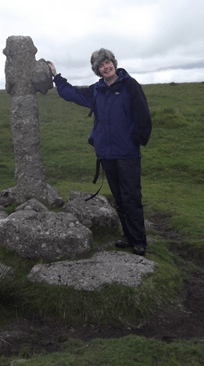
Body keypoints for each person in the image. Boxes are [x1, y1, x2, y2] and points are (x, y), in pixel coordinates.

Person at [47, 48, 152, 256]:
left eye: (108, 62)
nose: (106, 67)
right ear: (98, 70)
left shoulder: (130, 85)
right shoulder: (97, 90)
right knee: (119, 198)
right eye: (101, 65)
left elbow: (143, 112)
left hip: (127, 152)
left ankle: (139, 240)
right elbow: (72, 94)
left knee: (131, 196)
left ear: (113, 62)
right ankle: (127, 235)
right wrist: (56, 77)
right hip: (106, 153)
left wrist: (139, 138)